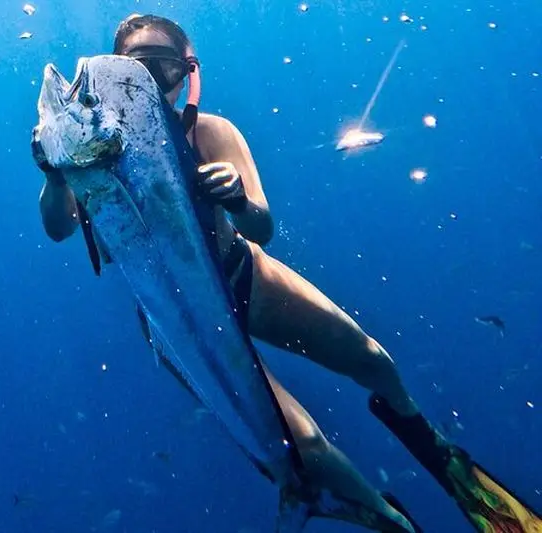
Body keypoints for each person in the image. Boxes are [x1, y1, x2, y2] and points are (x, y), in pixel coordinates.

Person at [37, 13, 541, 533]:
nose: (156, 81)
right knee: (305, 447)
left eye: (164, 68)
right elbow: (60, 227)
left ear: (187, 73)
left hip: (243, 275)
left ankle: (426, 442)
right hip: (177, 321)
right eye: (139, 69)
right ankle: (386, 517)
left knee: (371, 359)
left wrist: (234, 195)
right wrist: (54, 174)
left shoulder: (212, 132)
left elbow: (261, 226)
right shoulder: (96, 154)